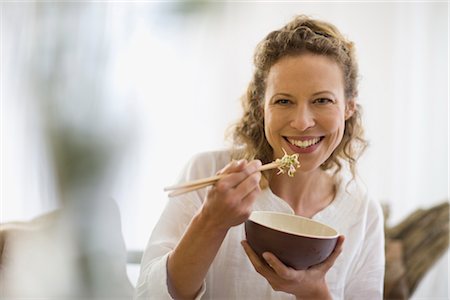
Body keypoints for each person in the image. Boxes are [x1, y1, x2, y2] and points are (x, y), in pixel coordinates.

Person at [135, 15, 385, 300]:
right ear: (262, 108)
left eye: (322, 100)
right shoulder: (207, 173)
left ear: (349, 107)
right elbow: (148, 295)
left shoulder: (363, 211)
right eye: (283, 101)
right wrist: (211, 221)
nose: (302, 122)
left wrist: (313, 292)